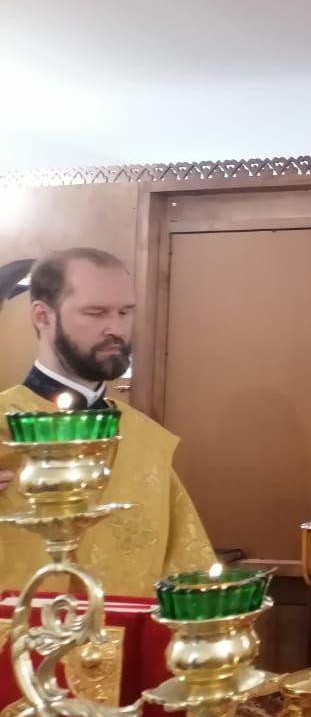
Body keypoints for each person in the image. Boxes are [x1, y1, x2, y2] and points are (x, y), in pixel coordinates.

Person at [0, 248, 214, 596]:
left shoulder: (145, 439)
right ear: (42, 316)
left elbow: (188, 571)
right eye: (95, 312)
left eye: (125, 312)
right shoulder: (3, 424)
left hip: (123, 631)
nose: (116, 328)